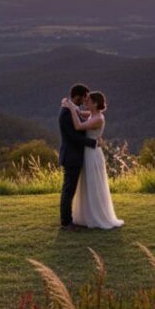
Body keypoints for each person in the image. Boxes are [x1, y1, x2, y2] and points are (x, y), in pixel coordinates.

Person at [60, 90, 124, 230]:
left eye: (88, 100)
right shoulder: (92, 114)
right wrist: (69, 104)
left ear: (95, 103)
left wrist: (70, 107)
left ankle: (97, 216)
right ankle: (87, 215)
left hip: (93, 154)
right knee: (87, 184)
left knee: (94, 183)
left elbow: (78, 126)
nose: (85, 102)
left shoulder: (99, 118)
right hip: (87, 153)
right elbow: (78, 112)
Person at [58, 83, 98, 231]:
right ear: (77, 96)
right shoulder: (67, 112)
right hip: (71, 156)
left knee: (70, 189)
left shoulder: (73, 109)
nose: (85, 100)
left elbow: (91, 115)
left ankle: (69, 220)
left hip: (74, 155)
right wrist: (93, 142)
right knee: (68, 190)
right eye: (84, 97)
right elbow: (74, 137)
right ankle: (66, 223)